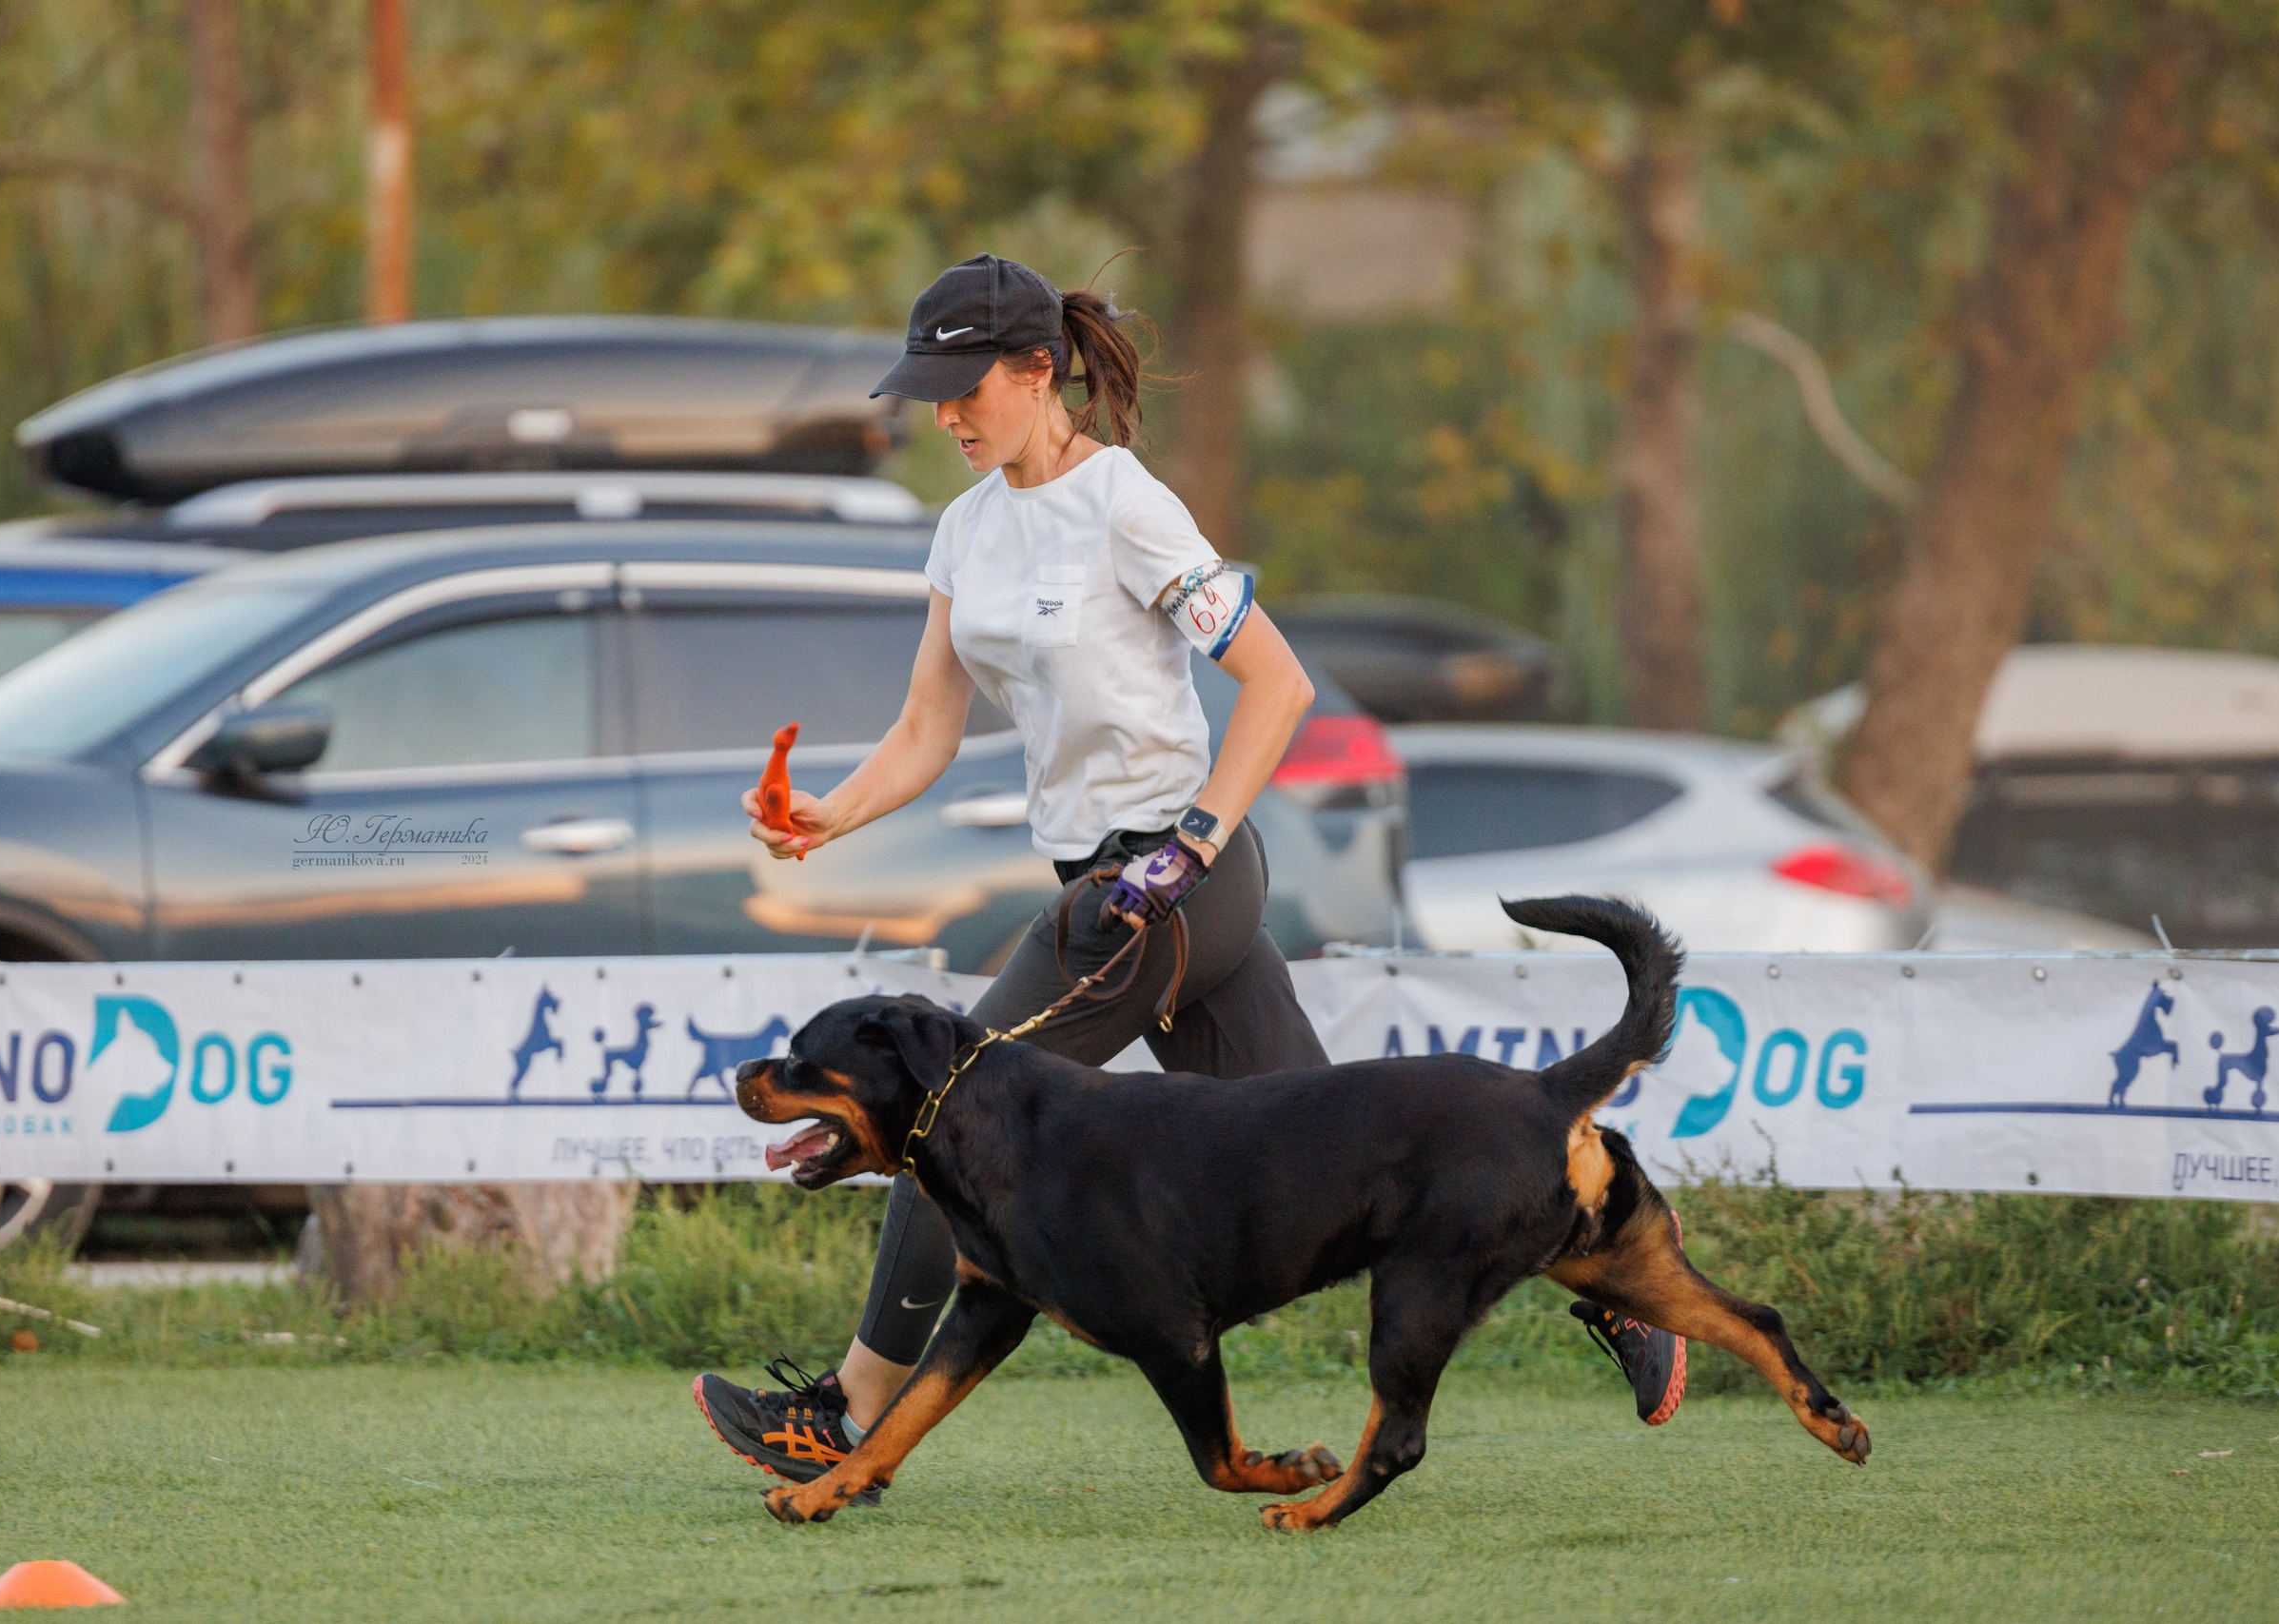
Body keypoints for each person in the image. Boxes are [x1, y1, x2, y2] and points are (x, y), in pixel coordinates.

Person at [692, 254, 1682, 1494]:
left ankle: (843, 1418)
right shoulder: (964, 530)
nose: (944, 415)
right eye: (929, 392)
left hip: (1173, 884)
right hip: (1102, 885)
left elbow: (1279, 684)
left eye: (964, 387)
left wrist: (1192, 844)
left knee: (939, 1115)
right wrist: (824, 816)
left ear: (1037, 371)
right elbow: (926, 730)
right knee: (1351, 1157)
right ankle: (1610, 1264)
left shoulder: (1127, 504)